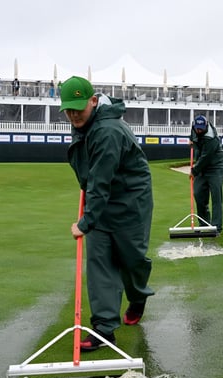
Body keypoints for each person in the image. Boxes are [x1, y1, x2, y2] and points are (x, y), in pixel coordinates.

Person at [60, 75, 155, 351]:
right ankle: (104, 329)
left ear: (93, 101)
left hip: (130, 201)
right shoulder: (84, 124)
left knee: (131, 260)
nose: (74, 114)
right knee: (100, 262)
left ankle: (138, 296)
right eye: (68, 109)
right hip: (100, 199)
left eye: (79, 107)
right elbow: (92, 174)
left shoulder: (109, 131)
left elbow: (101, 181)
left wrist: (86, 222)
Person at [189, 114, 223, 234]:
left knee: (216, 197)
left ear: (206, 126)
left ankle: (216, 227)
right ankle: (203, 224)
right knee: (198, 193)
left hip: (215, 167)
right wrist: (191, 140)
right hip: (202, 166)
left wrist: (194, 171)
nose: (198, 130)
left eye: (201, 129)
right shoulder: (195, 128)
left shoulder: (211, 139)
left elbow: (205, 158)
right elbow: (193, 136)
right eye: (197, 128)